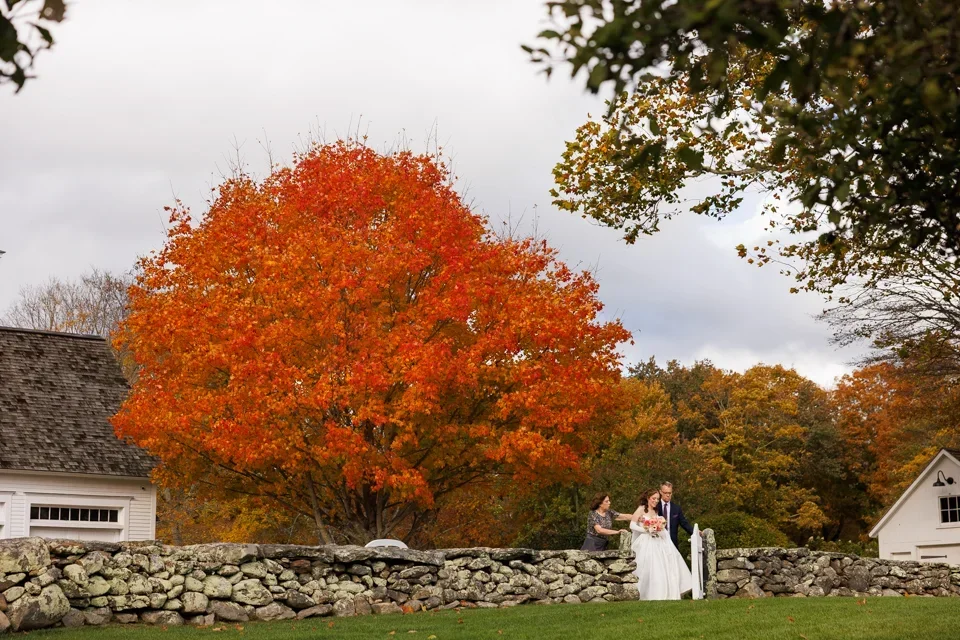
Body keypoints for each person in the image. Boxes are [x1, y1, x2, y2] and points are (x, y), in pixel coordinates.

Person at [629, 488, 692, 600]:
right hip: (646, 541)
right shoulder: (641, 509)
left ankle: (663, 593)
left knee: (662, 566)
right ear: (648, 498)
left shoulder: (657, 511)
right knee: (648, 567)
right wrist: (646, 530)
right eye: (654, 498)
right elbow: (632, 525)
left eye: (657, 499)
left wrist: (659, 527)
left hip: (658, 541)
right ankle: (644, 593)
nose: (656, 501)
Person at [657, 481, 695, 549]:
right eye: (665, 493)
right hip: (657, 542)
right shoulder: (655, 507)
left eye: (670, 493)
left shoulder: (676, 508)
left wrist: (695, 532)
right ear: (660, 492)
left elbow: (684, 523)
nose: (668, 495)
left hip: (672, 543)